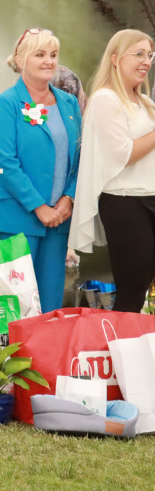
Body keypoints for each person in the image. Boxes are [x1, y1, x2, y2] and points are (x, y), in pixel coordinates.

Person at [0, 28, 81, 313]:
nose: (48, 61)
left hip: (59, 221)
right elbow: (6, 162)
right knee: (10, 306)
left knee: (50, 303)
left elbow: (80, 158)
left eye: (53, 55)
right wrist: (39, 207)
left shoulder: (69, 103)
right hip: (14, 219)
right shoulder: (5, 103)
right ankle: (5, 358)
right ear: (21, 58)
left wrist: (68, 199)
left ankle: (44, 358)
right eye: (40, 54)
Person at [70, 29, 155, 313]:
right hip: (124, 203)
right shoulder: (105, 100)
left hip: (150, 198)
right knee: (133, 288)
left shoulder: (145, 103)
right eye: (139, 54)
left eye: (150, 55)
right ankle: (123, 355)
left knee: (143, 290)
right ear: (116, 58)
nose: (147, 61)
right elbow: (126, 154)